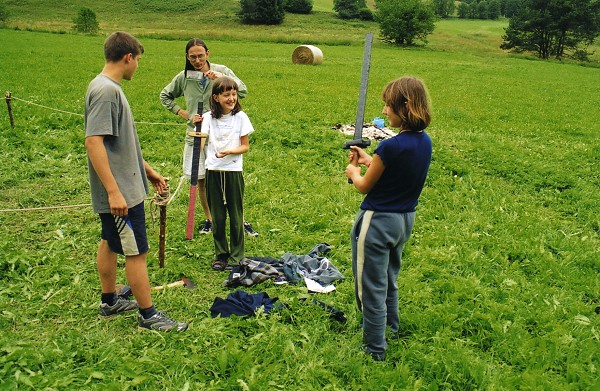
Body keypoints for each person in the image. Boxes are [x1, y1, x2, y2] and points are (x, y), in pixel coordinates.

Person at [85, 31, 188, 332]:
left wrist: (148, 171)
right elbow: (94, 143)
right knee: (136, 251)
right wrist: (115, 192)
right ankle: (148, 315)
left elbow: (120, 145)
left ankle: (110, 301)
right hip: (122, 195)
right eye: (138, 60)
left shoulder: (105, 87)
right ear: (128, 57)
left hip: (124, 186)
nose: (137, 66)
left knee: (110, 240)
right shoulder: (106, 91)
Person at [345, 76, 433, 361]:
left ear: (404, 106)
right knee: (389, 278)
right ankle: (390, 328)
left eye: (387, 106)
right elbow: (392, 170)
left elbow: (364, 186)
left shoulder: (390, 147)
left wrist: (354, 173)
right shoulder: (423, 142)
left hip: (376, 222)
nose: (384, 111)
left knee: (370, 285)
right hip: (403, 222)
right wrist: (369, 160)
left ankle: (375, 348)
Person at [159, 38, 259, 237]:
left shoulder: (222, 70)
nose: (197, 60)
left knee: (229, 178)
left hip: (223, 136)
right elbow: (165, 95)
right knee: (201, 180)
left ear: (208, 54)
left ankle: (239, 218)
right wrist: (183, 113)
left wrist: (220, 77)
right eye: (193, 56)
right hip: (197, 136)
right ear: (187, 57)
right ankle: (210, 219)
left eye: (200, 55)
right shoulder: (184, 77)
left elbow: (243, 91)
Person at [193, 76, 254, 271]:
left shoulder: (241, 117)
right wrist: (197, 129)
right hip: (213, 170)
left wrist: (229, 151)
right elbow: (201, 142)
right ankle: (221, 255)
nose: (231, 98)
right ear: (216, 97)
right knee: (218, 216)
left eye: (234, 94)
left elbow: (245, 147)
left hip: (233, 171)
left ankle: (237, 256)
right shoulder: (209, 117)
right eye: (226, 95)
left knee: (236, 215)